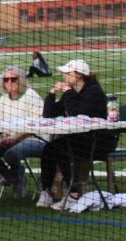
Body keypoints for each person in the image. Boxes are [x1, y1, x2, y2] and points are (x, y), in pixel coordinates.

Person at [37, 59, 119, 211]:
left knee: (62, 149)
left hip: (99, 141)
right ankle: (46, 191)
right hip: (81, 139)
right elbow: (48, 114)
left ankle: (73, 194)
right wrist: (51, 94)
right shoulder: (72, 92)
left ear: (79, 75)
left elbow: (77, 115)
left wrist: (68, 93)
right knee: (50, 148)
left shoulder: (93, 91)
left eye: (67, 73)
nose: (64, 76)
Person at [0, 65, 46, 198]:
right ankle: (14, 177)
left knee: (11, 153)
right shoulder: (3, 98)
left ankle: (16, 177)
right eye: (6, 79)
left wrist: (16, 139)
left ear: (21, 80)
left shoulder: (31, 95)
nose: (9, 82)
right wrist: (5, 137)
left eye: (13, 79)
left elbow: (36, 125)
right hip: (12, 139)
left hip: (35, 138)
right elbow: (2, 123)